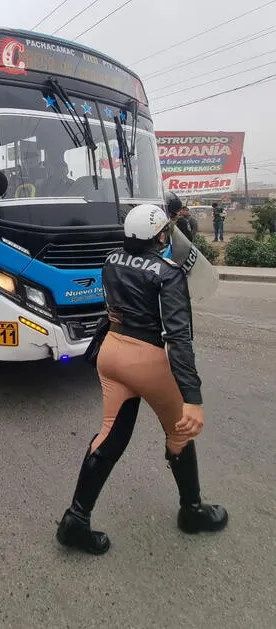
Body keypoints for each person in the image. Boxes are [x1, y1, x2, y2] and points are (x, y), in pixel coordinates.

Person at [56, 203, 227, 556]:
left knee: (110, 436)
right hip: (146, 359)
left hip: (111, 354)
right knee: (179, 431)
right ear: (161, 236)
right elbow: (178, 338)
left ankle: (76, 519)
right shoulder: (167, 272)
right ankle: (192, 510)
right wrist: (192, 397)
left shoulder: (111, 260)